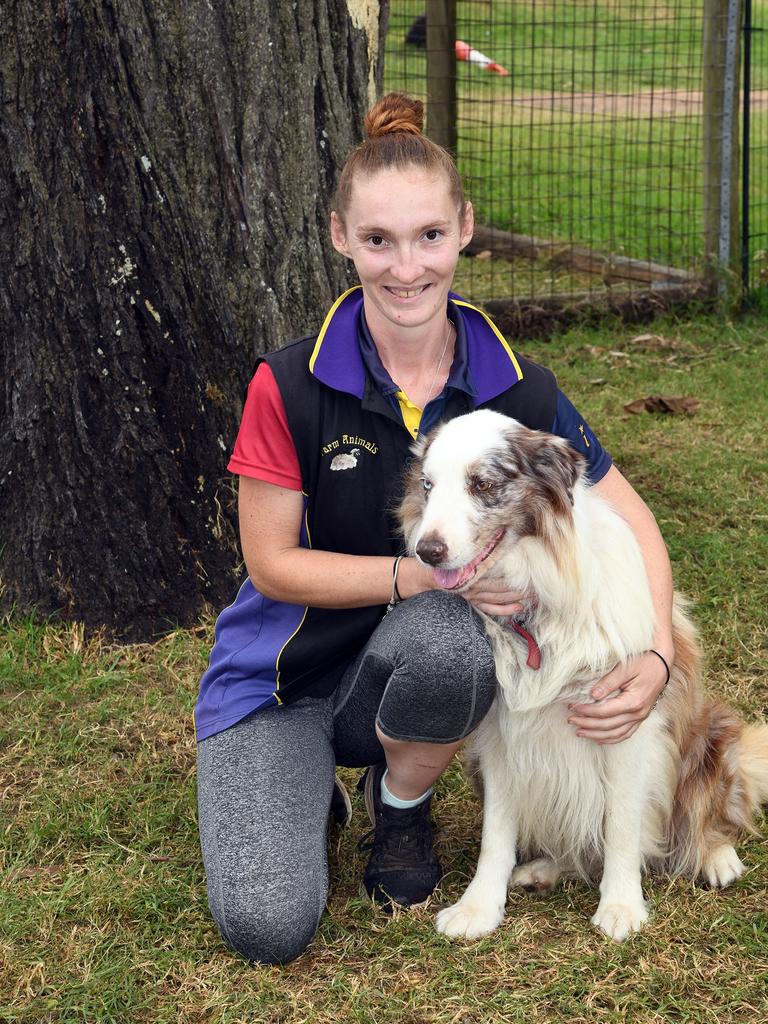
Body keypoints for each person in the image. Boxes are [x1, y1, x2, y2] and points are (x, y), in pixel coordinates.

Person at [195, 93, 674, 965]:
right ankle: (307, 787)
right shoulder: (289, 383)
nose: (405, 267)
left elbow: (634, 521)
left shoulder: (517, 385)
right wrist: (413, 576)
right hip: (281, 684)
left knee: (454, 635)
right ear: (341, 237)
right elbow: (269, 564)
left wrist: (657, 659)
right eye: (378, 240)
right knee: (266, 925)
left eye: (428, 236)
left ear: (464, 231)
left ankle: (402, 805)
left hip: (413, 668)